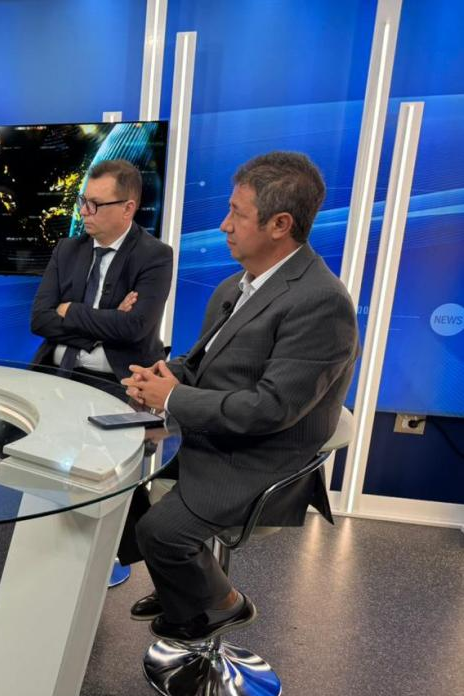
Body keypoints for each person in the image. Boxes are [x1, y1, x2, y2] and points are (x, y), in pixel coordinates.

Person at [118, 151, 359, 643]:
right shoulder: (238, 284)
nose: (224, 225)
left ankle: (222, 603)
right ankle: (184, 585)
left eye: (237, 214)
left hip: (263, 457)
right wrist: (163, 377)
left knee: (159, 531)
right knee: (124, 495)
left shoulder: (321, 302)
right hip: (221, 435)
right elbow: (201, 363)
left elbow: (271, 409)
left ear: (280, 225)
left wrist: (173, 400)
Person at [30, 159, 174, 396]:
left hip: (117, 381)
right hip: (55, 372)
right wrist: (109, 320)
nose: (83, 211)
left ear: (127, 209)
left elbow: (132, 328)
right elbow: (39, 320)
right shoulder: (66, 249)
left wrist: (70, 310)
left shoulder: (155, 255)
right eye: (83, 201)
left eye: (95, 204)